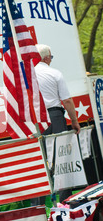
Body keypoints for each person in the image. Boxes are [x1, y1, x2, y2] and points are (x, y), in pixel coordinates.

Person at [35, 44, 80, 202]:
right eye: (51, 57)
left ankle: (38, 207)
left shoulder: (26, 76)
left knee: (39, 162)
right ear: (46, 58)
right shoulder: (54, 73)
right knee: (61, 159)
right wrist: (74, 121)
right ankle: (65, 202)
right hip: (54, 116)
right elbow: (66, 100)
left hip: (35, 120)